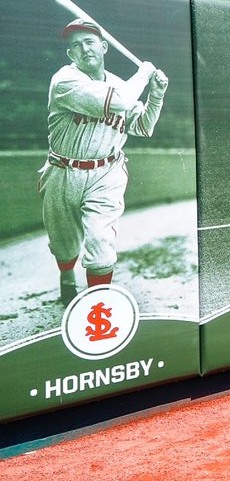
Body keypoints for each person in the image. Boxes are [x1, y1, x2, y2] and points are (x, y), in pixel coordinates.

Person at [40, 18, 168, 305]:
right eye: (76, 46)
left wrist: (156, 97)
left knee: (100, 243)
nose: (84, 49)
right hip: (63, 170)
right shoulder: (65, 81)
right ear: (70, 55)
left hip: (106, 173)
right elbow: (120, 100)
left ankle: (97, 305)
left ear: (104, 47)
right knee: (63, 243)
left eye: (89, 42)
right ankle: (66, 275)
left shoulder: (121, 85)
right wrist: (144, 73)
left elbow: (143, 126)